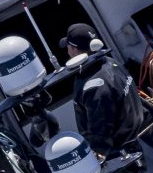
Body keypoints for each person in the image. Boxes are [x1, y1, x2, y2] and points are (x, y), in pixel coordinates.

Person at [61, 23, 146, 160]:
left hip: (119, 156)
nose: (67, 50)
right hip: (133, 142)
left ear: (75, 51)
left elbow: (101, 129)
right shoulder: (110, 62)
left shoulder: (94, 86)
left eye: (68, 47)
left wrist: (97, 158)